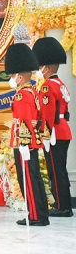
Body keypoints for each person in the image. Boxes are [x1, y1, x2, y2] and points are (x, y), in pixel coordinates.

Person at [6, 43, 48, 226]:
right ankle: (41, 214)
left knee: (28, 180)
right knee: (35, 177)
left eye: (12, 76)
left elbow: (23, 120)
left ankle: (35, 216)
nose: (11, 79)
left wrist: (23, 143)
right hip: (33, 140)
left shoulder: (22, 95)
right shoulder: (33, 92)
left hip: (25, 142)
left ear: (20, 77)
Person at [32, 37, 72, 217]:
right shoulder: (60, 84)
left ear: (46, 68)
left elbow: (47, 115)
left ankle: (62, 207)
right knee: (60, 170)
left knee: (55, 171)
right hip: (64, 130)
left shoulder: (47, 87)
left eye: (40, 67)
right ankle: (64, 204)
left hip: (54, 132)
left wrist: (44, 135)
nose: (39, 70)